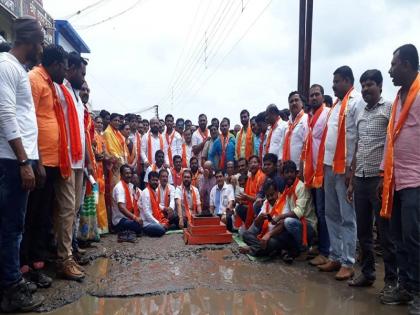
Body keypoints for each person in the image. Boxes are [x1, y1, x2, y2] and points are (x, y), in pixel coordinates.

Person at [0, 16, 45, 312]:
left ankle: (12, 279)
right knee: (11, 227)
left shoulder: (18, 69)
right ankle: (10, 288)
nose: (42, 48)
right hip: (11, 162)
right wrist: (23, 161)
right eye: (40, 41)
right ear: (30, 41)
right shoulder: (6, 67)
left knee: (15, 225)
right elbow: (6, 114)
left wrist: (33, 158)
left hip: (21, 160)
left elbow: (26, 120)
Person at [20, 44, 68, 291]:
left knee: (42, 216)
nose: (66, 72)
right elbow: (28, 121)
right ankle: (24, 267)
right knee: (30, 217)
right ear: (56, 64)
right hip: (38, 162)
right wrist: (34, 160)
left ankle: (37, 264)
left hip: (51, 162)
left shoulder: (50, 82)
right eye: (64, 67)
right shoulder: (34, 80)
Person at [345, 69, 397, 292]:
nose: (366, 89)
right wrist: (351, 181)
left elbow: (394, 145)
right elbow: (358, 146)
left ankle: (391, 281)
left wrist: (386, 179)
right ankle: (367, 274)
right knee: (363, 233)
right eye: (363, 85)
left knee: (386, 234)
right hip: (360, 179)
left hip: (379, 181)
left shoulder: (389, 109)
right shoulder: (361, 113)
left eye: (370, 84)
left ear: (380, 86)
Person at [379, 44, 420, 310]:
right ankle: (405, 287)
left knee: (415, 237)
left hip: (416, 180)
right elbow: (390, 138)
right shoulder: (398, 97)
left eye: (394, 65)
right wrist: (384, 172)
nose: (390, 70)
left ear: (407, 64)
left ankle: (416, 290)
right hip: (395, 180)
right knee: (399, 237)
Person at [316, 66, 364, 281]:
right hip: (329, 166)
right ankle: (335, 255)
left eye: (336, 82)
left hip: (345, 170)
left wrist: (352, 170)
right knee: (331, 214)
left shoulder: (356, 102)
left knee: (347, 217)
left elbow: (359, 137)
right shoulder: (335, 105)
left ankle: (348, 262)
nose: (333, 85)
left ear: (346, 80)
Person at [54, 51, 92, 281]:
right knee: (66, 210)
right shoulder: (62, 91)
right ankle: (63, 259)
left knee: (74, 208)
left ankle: (70, 251)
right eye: (82, 72)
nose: (84, 78)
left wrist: (87, 159)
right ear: (72, 69)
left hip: (79, 162)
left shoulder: (77, 97)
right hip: (66, 159)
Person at [241, 161, 316, 260]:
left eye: (291, 172)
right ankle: (265, 249)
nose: (289, 175)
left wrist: (270, 231)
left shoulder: (300, 188)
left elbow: (298, 213)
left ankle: (302, 249)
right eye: (286, 172)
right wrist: (259, 218)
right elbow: (257, 224)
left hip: (305, 227)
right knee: (246, 235)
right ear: (282, 175)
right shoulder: (286, 191)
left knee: (285, 226)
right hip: (279, 232)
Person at [301, 84, 331, 267]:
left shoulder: (327, 113)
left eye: (316, 94)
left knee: (324, 212)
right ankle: (319, 247)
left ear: (322, 96)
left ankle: (326, 251)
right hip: (310, 173)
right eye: (311, 95)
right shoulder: (309, 118)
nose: (313, 98)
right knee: (316, 211)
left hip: (324, 172)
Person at [235, 155, 266, 231]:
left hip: (260, 207)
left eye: (255, 162)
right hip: (250, 207)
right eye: (251, 163)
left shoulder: (261, 177)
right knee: (239, 207)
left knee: (256, 204)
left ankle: (258, 229)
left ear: (259, 164)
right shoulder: (250, 178)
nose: (252, 164)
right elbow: (247, 197)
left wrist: (246, 198)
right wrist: (241, 200)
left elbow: (259, 199)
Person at [112, 165, 142, 241]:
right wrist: (135, 218)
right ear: (121, 175)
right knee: (138, 225)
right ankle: (123, 233)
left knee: (143, 222)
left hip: (128, 218)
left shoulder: (130, 186)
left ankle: (128, 232)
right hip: (120, 221)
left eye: (130, 173)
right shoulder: (119, 187)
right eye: (126, 173)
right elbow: (121, 208)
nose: (129, 175)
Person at [283, 92, 308, 171]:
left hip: (300, 168)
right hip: (287, 169)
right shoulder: (287, 124)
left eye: (296, 100)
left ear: (302, 104)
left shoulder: (306, 119)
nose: (294, 103)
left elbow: (306, 145)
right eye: (291, 101)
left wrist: (302, 167)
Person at [93, 116, 109, 234]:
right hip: (93, 174)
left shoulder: (102, 137)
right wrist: (95, 155)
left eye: (101, 123)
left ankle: (102, 228)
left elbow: (105, 153)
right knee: (94, 200)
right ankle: (95, 228)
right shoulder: (92, 135)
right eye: (97, 122)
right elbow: (91, 149)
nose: (99, 125)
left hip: (101, 173)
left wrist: (103, 155)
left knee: (101, 200)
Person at [139, 171, 168, 237]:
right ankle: (144, 231)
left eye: (156, 180)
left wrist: (164, 208)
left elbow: (157, 205)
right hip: (146, 222)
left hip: (154, 218)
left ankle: (162, 226)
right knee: (161, 230)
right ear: (148, 181)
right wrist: (159, 223)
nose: (155, 182)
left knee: (172, 217)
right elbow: (146, 213)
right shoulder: (145, 193)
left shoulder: (154, 191)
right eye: (153, 180)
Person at [103, 113, 127, 189]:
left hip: (121, 163)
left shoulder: (117, 132)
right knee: (114, 186)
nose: (117, 122)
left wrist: (124, 158)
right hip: (113, 164)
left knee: (121, 187)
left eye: (119, 121)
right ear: (110, 121)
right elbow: (110, 149)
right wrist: (119, 158)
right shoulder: (107, 132)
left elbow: (123, 147)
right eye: (115, 120)